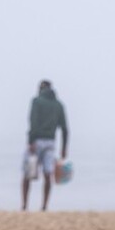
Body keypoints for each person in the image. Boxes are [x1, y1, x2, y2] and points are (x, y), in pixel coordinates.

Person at [22, 80, 68, 211]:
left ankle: (25, 205)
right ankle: (44, 206)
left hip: (36, 142)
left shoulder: (36, 101)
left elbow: (33, 121)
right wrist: (64, 149)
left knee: (28, 173)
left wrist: (31, 141)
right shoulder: (59, 105)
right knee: (48, 174)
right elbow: (65, 128)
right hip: (51, 143)